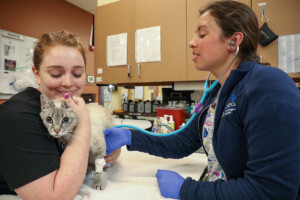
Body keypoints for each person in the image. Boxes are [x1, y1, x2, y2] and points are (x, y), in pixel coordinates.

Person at [103, 1, 300, 199]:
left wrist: (186, 190)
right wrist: (130, 136)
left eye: (202, 34)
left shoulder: (268, 85)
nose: (192, 42)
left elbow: (272, 191)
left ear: (233, 41)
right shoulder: (216, 93)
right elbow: (181, 143)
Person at [0, 30, 120, 199]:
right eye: (56, 74)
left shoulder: (69, 107)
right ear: (37, 74)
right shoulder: (17, 116)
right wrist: (84, 121)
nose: (68, 83)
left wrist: (115, 149)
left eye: (77, 74)